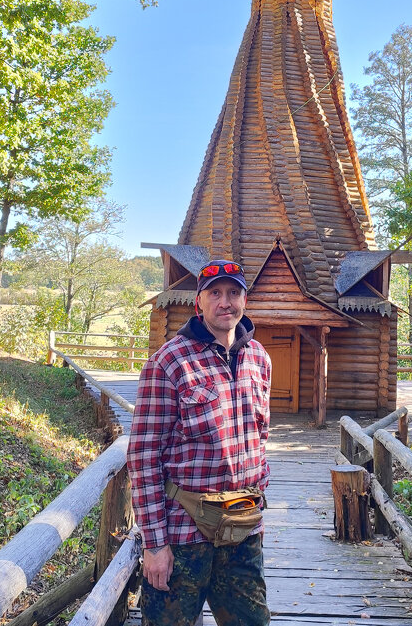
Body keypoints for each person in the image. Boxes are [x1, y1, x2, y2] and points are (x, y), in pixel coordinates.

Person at [127, 259, 272, 626]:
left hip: (242, 529)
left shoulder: (259, 358)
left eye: (234, 292)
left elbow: (260, 439)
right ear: (199, 302)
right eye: (216, 293)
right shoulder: (168, 363)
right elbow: (143, 459)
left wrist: (258, 518)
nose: (226, 302)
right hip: (183, 534)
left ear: (245, 299)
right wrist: (156, 545)